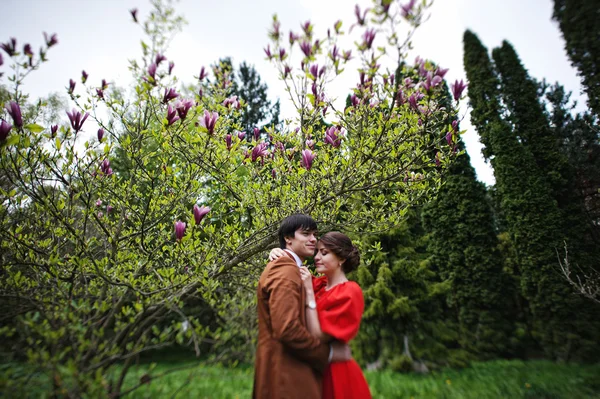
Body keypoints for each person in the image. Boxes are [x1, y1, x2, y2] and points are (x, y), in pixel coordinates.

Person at [253, 214, 351, 399]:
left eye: (314, 234)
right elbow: (287, 329)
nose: (313, 239)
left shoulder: (294, 269)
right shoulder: (285, 268)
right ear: (288, 239)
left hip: (291, 373)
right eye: (306, 234)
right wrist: (328, 354)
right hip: (287, 377)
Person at [269, 231, 372, 399]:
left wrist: (309, 293)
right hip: (314, 368)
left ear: (341, 259)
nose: (317, 257)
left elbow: (319, 336)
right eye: (317, 251)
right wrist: (277, 252)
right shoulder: (319, 284)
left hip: (336, 373)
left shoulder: (350, 291)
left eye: (324, 253)